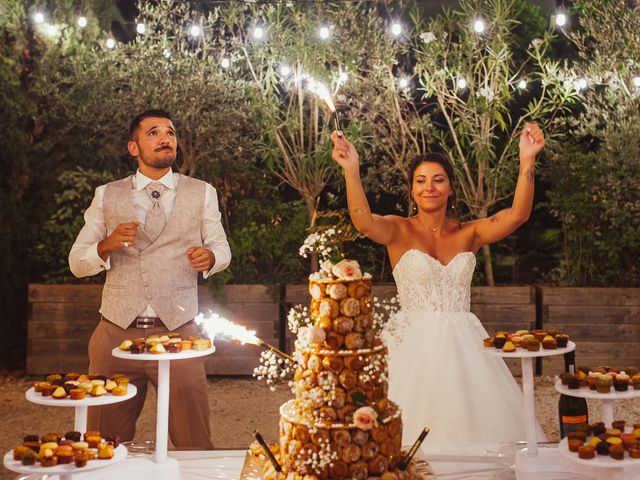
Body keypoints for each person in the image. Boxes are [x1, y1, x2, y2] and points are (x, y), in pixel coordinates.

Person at [330, 124, 545, 447]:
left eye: (438, 179)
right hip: (410, 345)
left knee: (475, 428)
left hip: (466, 344)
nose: (429, 187)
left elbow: (517, 216)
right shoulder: (398, 231)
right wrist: (351, 171)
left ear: (450, 189)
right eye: (421, 181)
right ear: (412, 190)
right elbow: (363, 222)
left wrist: (527, 161)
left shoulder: (469, 233)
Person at [69, 109, 231, 450]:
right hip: (115, 331)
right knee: (103, 445)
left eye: (170, 132)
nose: (165, 138)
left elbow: (221, 247)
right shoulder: (106, 194)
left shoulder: (202, 192)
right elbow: (76, 262)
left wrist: (212, 258)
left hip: (179, 331)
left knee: (194, 442)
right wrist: (106, 246)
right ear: (133, 147)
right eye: (154, 133)